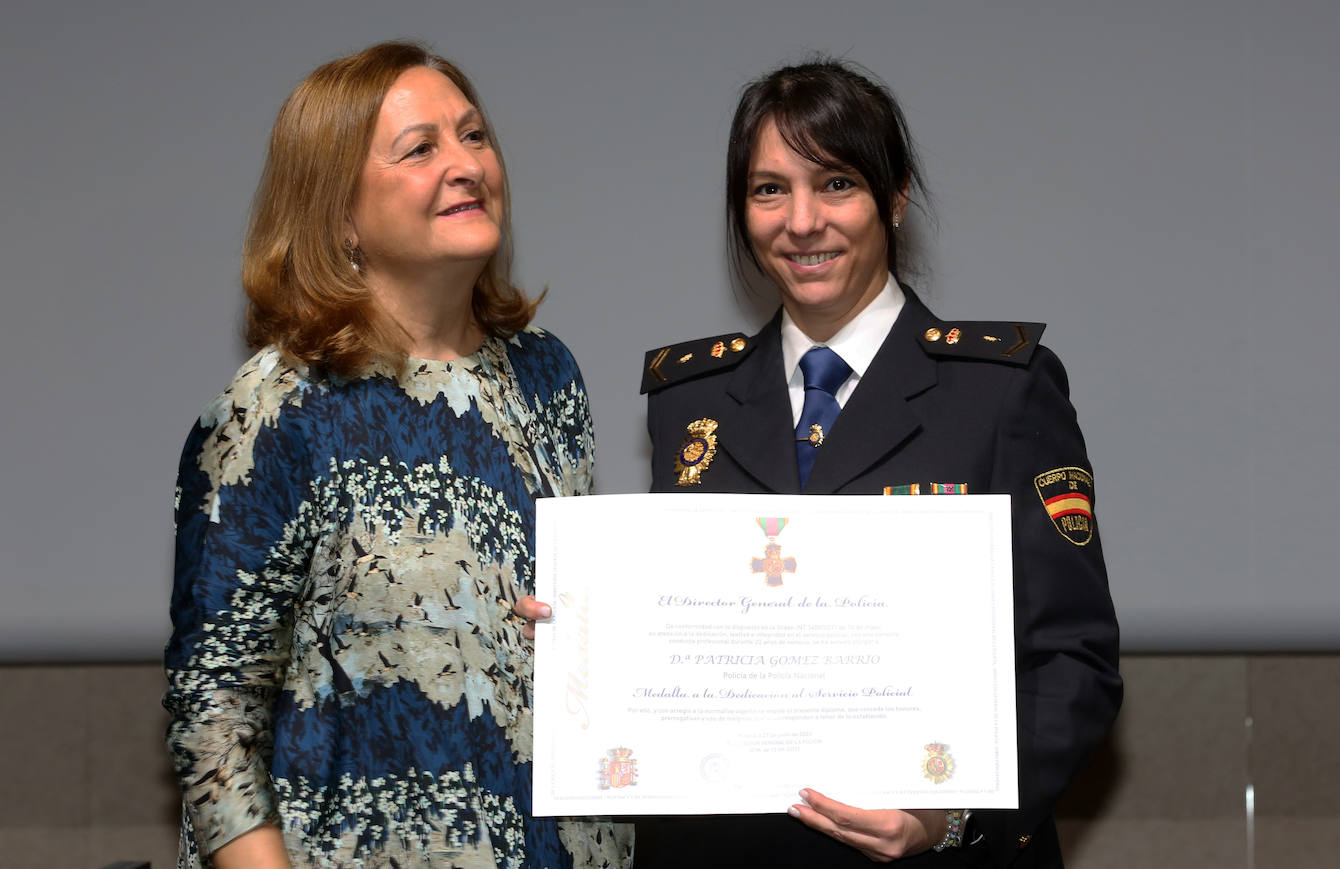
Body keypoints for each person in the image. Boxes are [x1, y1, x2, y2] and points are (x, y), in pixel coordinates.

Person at [634, 59, 1122, 867]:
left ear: (894, 198)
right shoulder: (690, 401)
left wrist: (949, 813)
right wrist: (587, 626)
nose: (801, 221)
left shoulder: (1000, 389)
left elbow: (1072, 663)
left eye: (835, 184)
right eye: (767, 190)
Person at [163, 41, 630, 869]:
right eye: (422, 149)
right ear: (338, 213)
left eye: (475, 135)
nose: (467, 165)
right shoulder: (279, 407)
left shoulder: (548, 375)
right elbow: (214, 716)